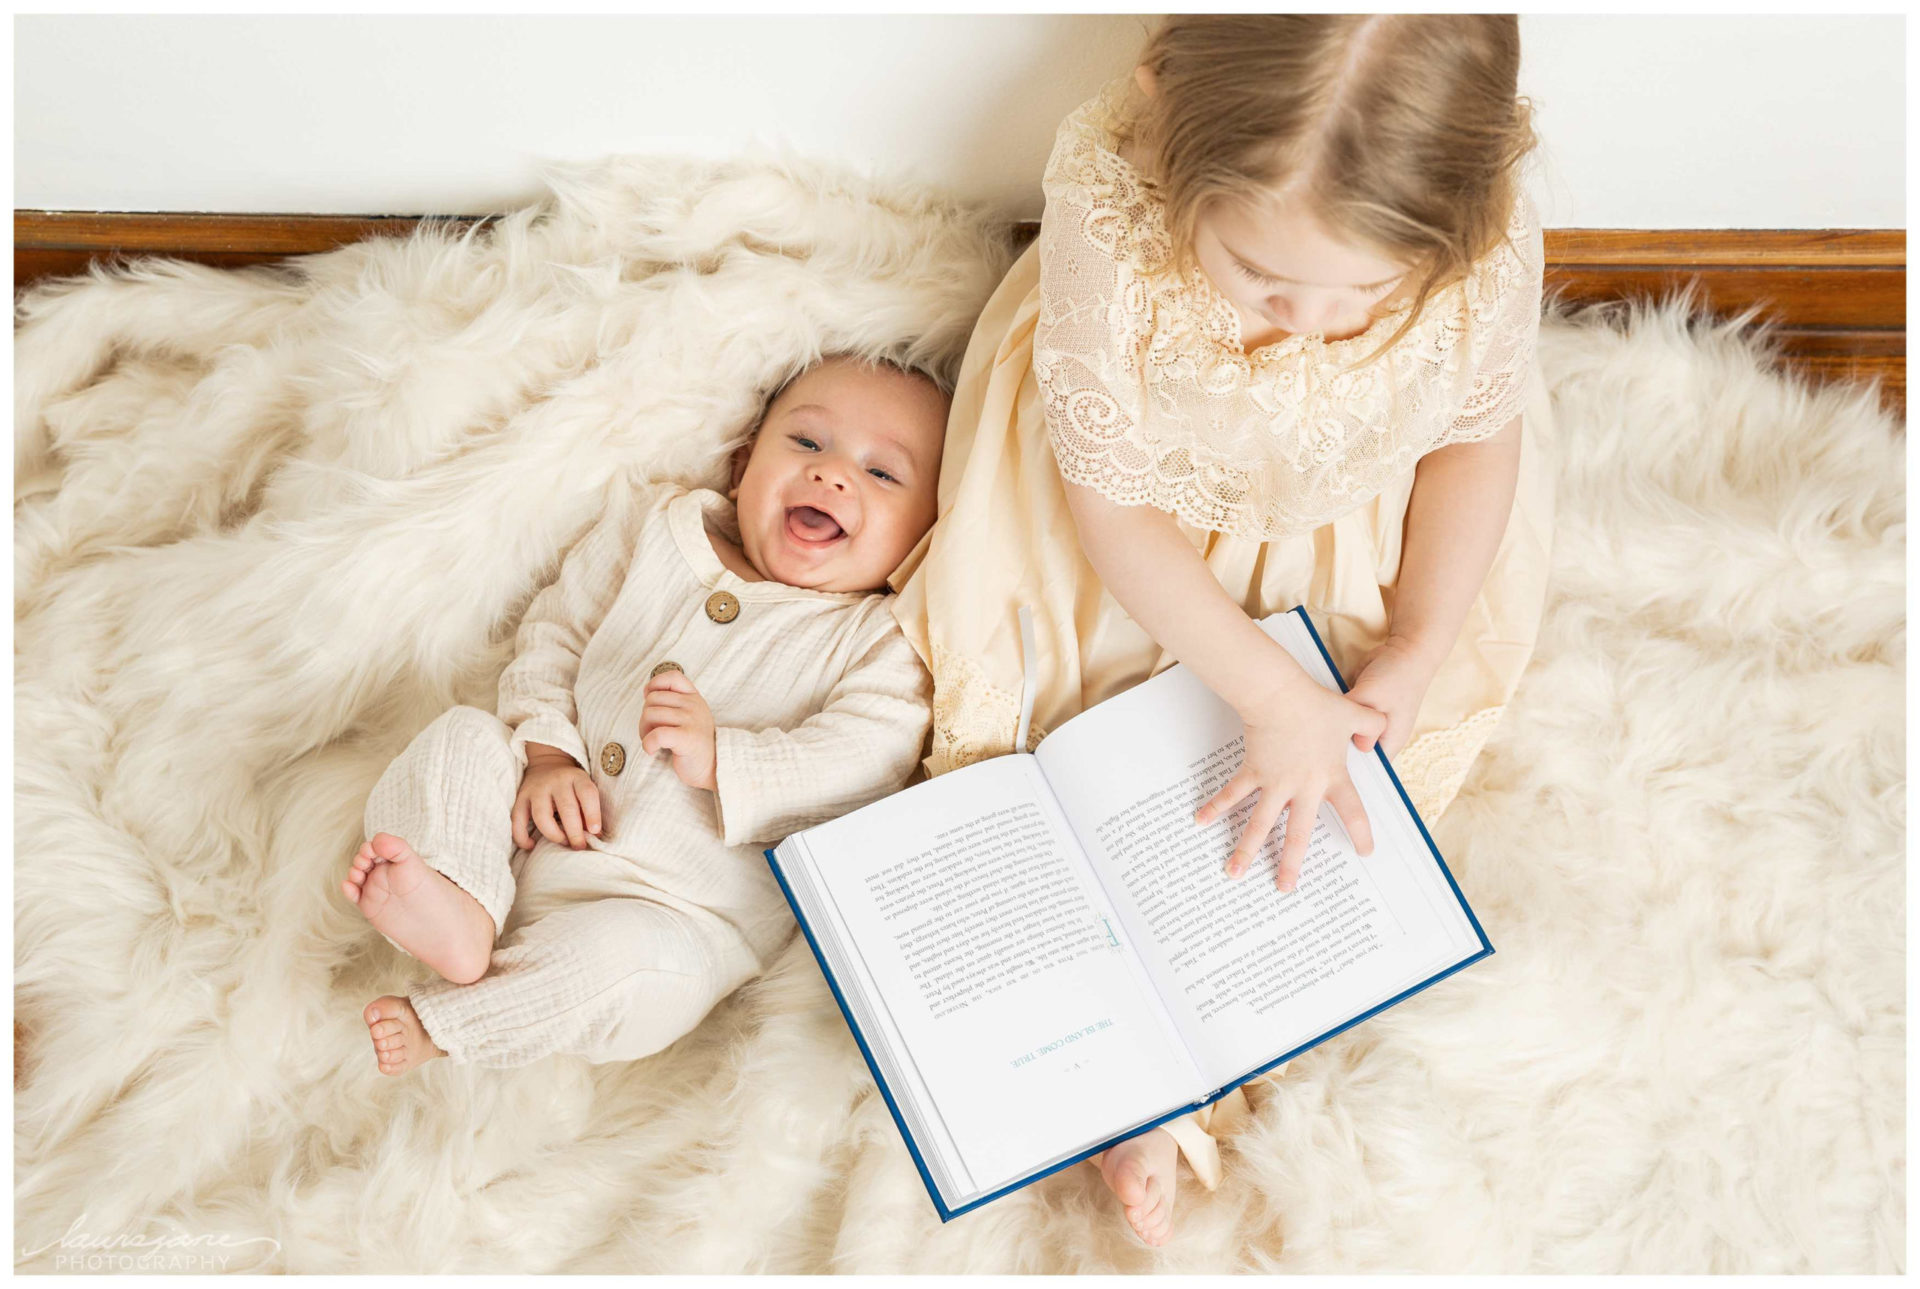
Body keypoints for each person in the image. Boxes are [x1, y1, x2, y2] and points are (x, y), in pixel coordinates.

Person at [888, 15, 1555, 1246]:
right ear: (1165, 124)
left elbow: (1477, 438)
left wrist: (1412, 646)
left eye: (1364, 295)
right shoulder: (1111, 195)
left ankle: (1201, 1058)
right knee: (1076, 739)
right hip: (1131, 509)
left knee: (1316, 800)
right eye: (1261, 276)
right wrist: (1263, 688)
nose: (1306, 320)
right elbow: (1110, 505)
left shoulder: (1481, 228)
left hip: (1340, 505)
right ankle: (1102, 1054)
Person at [342, 355, 950, 1074]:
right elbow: (556, 632)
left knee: (622, 967)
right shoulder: (657, 529)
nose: (833, 475)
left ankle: (447, 1023)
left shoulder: (878, 640)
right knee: (462, 738)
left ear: (927, 532)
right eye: (808, 443)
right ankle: (457, 896)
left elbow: (866, 760)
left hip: (678, 915)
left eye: (883, 474)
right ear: (743, 465)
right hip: (528, 827)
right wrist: (546, 754)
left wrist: (725, 757)